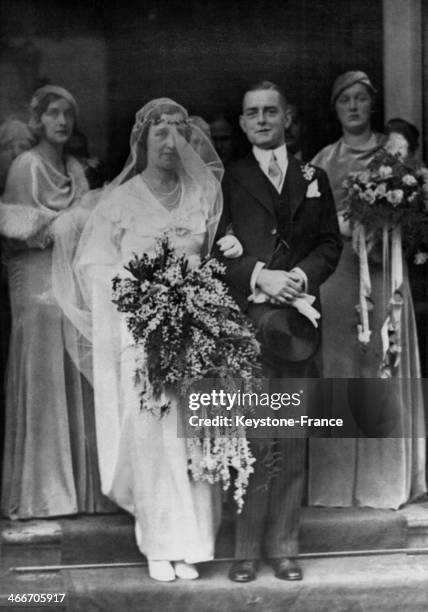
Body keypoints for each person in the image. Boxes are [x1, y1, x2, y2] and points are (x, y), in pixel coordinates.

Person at [54, 98, 243, 582]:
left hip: (197, 334)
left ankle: (195, 543)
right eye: (159, 132)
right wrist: (142, 297)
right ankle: (159, 543)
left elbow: (219, 260)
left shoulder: (202, 196)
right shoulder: (121, 201)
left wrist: (202, 300)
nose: (169, 141)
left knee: (195, 436)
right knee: (154, 439)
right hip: (143, 336)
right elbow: (91, 266)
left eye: (178, 132)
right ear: (142, 140)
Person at [217, 81, 342, 583]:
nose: (263, 119)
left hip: (299, 326)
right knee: (251, 438)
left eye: (272, 111)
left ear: (287, 118)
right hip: (249, 326)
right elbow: (212, 247)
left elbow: (331, 243)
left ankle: (285, 547)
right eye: (253, 113)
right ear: (244, 123)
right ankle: (245, 550)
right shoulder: (227, 178)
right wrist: (255, 274)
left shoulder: (316, 177)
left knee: (290, 437)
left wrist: (303, 275)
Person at [308, 72, 426, 508]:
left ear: (371, 104)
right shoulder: (323, 158)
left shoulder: (393, 151)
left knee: (382, 357)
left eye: (361, 99)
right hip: (340, 273)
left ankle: (382, 480)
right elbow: (313, 220)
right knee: (340, 364)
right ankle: (336, 484)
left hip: (382, 267)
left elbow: (414, 209)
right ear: (336, 108)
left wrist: (389, 222)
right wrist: (340, 224)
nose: (354, 107)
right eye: (345, 101)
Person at [1, 85, 112, 518]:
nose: (62, 122)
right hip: (34, 278)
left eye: (68, 114)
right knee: (43, 371)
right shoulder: (26, 166)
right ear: (38, 120)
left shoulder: (74, 169)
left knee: (72, 365)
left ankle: (79, 493)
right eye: (53, 114)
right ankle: (42, 493)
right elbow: (20, 229)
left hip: (70, 276)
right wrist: (70, 222)